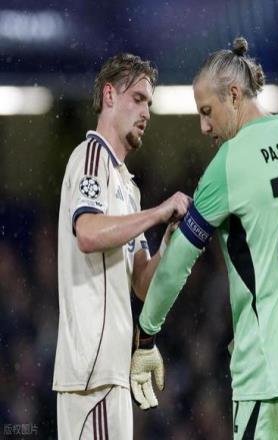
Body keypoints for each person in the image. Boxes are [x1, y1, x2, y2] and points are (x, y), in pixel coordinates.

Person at [131, 37, 278, 439]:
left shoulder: (231, 161)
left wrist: (147, 335)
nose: (204, 127)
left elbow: (176, 265)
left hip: (267, 369)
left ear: (236, 95)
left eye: (207, 112)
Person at [52, 53, 190, 439]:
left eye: (150, 103)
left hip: (110, 372)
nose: (146, 112)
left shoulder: (128, 187)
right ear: (109, 95)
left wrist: (167, 241)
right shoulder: (92, 156)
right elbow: (87, 232)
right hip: (91, 372)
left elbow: (142, 284)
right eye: (138, 98)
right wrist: (157, 213)